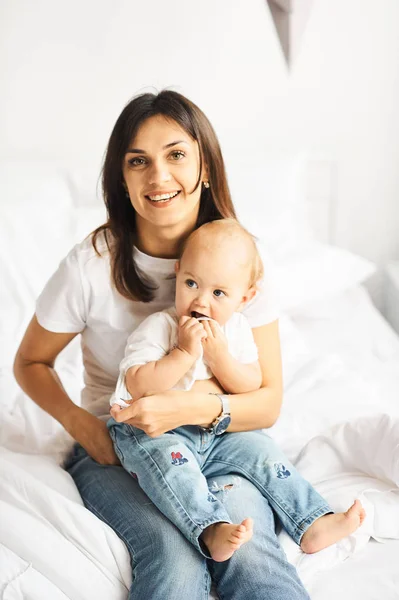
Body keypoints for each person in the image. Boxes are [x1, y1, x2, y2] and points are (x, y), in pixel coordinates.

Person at [13, 89, 315, 599]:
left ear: (204, 167)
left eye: (176, 154)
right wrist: (85, 427)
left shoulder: (242, 261)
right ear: (121, 177)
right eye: (138, 161)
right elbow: (30, 361)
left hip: (218, 439)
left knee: (249, 548)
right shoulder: (90, 264)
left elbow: (267, 403)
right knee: (171, 556)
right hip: (122, 445)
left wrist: (194, 407)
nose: (158, 177)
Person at [108, 218, 366, 563]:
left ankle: (311, 523)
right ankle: (210, 528)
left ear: (245, 298)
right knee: (173, 467)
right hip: (155, 432)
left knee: (264, 451)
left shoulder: (238, 331)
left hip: (218, 433)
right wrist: (183, 354)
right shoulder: (161, 327)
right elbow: (139, 384)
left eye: (218, 293)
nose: (201, 300)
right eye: (191, 283)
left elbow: (250, 384)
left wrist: (220, 357)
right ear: (178, 272)